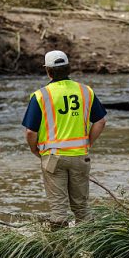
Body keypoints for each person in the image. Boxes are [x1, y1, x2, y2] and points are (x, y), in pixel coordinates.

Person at [22, 50, 107, 228]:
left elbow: (31, 132)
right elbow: (100, 121)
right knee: (82, 207)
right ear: (68, 69)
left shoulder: (41, 96)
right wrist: (88, 142)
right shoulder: (86, 91)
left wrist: (34, 150)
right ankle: (88, 247)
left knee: (58, 209)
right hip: (80, 157)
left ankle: (60, 249)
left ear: (48, 71)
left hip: (53, 158)